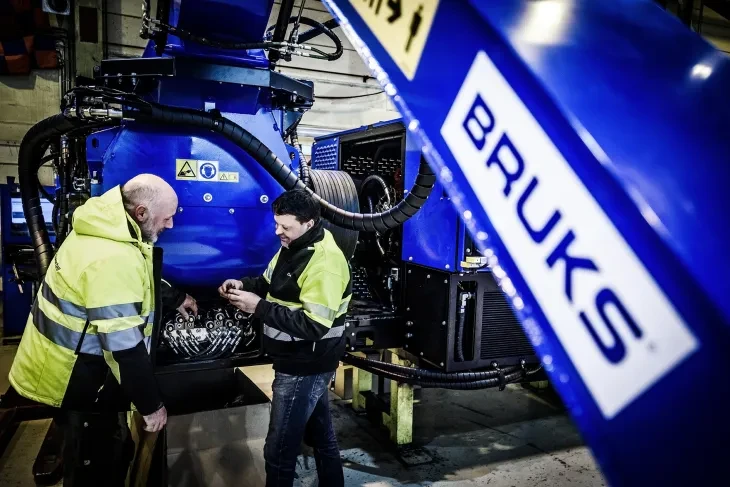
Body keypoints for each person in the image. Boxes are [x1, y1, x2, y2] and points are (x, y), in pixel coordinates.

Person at [8, 173, 197, 486]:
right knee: (96, 467)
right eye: (167, 218)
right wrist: (151, 406)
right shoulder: (111, 257)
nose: (171, 225)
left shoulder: (104, 228)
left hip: (70, 365)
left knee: (111, 450)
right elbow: (124, 345)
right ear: (142, 213)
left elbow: (133, 281)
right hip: (76, 379)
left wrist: (176, 297)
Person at [218, 189, 351, 487]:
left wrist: (258, 307)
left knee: (278, 451)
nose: (278, 232)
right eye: (276, 224)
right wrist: (243, 285)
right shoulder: (292, 247)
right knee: (322, 438)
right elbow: (268, 283)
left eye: (285, 227)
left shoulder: (324, 263)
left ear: (309, 223)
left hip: (306, 365)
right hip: (298, 361)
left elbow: (314, 325)